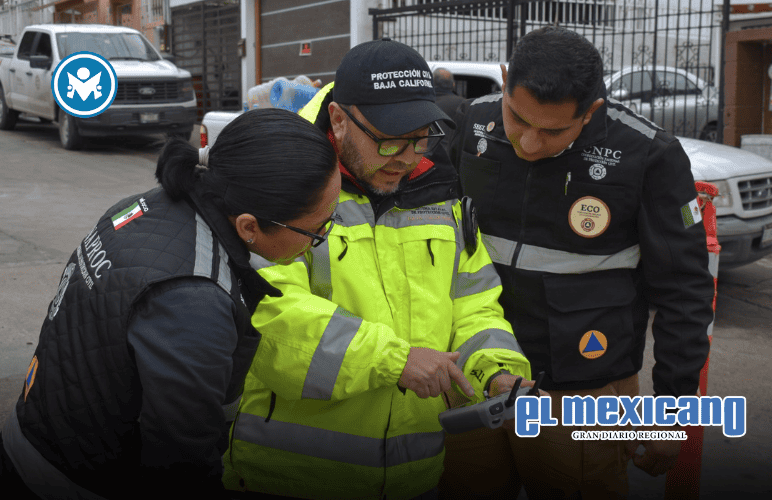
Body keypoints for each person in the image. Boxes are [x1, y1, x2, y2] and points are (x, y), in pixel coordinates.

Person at [221, 39, 534, 500]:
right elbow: (269, 318)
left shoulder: (440, 192)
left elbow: (474, 304)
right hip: (291, 477)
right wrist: (395, 361)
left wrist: (498, 372)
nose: (407, 157)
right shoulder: (285, 184)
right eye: (390, 139)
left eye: (421, 137)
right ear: (339, 120)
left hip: (415, 477)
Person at [0, 108, 340, 499]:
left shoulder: (147, 206)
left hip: (32, 435)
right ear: (249, 225)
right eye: (317, 229)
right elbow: (181, 466)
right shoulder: (195, 301)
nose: (321, 239)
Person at [443, 26, 715, 499]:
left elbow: (684, 294)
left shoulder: (648, 155)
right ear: (504, 80)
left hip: (581, 394)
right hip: (475, 377)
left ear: (591, 111)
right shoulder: (473, 123)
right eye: (517, 118)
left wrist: (671, 415)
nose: (530, 143)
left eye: (553, 131)